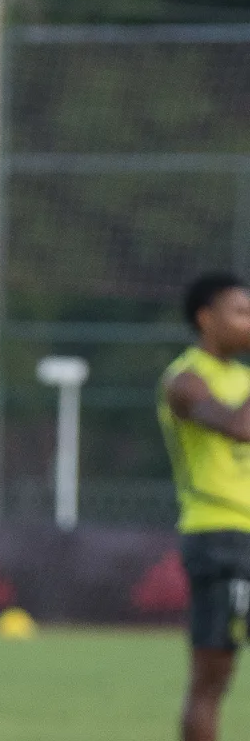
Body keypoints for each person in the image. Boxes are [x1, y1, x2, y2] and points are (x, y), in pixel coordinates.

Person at [164, 270, 250, 741]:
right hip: (221, 539)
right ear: (206, 319)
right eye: (241, 312)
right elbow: (239, 428)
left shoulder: (244, 378)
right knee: (213, 681)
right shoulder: (185, 381)